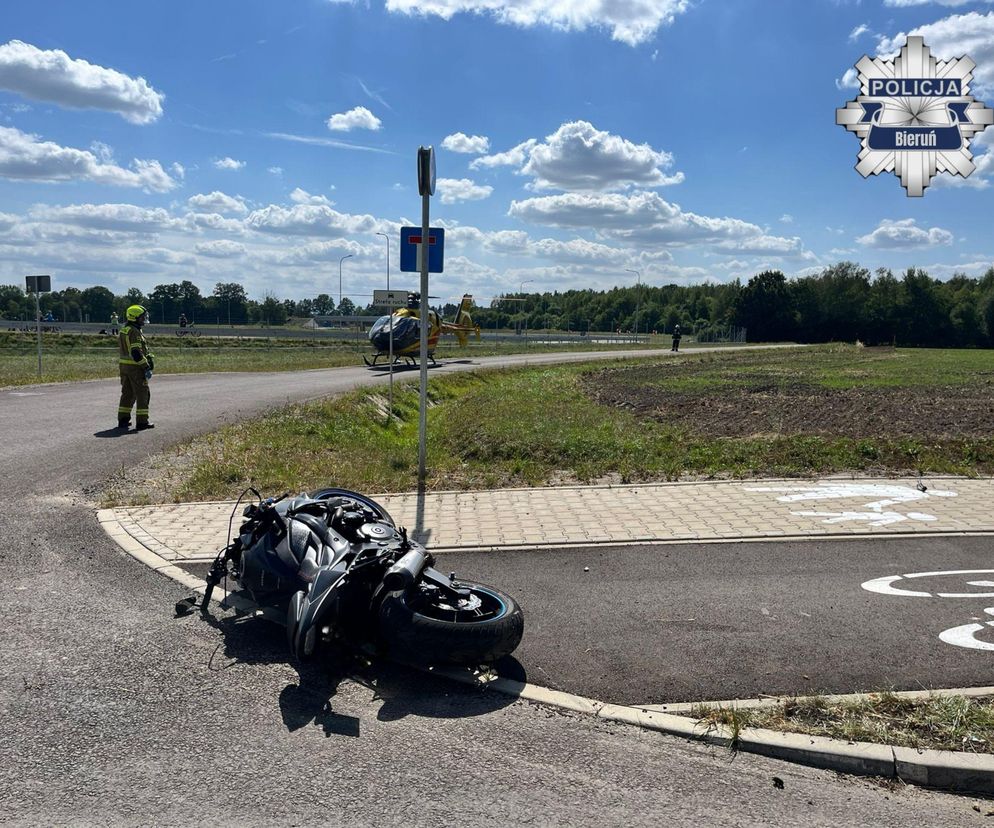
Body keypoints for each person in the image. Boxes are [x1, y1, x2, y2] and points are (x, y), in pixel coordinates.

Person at [117, 304, 155, 430]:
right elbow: (136, 352)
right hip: (135, 368)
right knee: (143, 393)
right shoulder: (134, 332)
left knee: (127, 393)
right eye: (142, 318)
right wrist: (146, 366)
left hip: (124, 367)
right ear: (134, 318)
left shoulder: (124, 329)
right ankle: (142, 422)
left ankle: (123, 419)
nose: (143, 320)